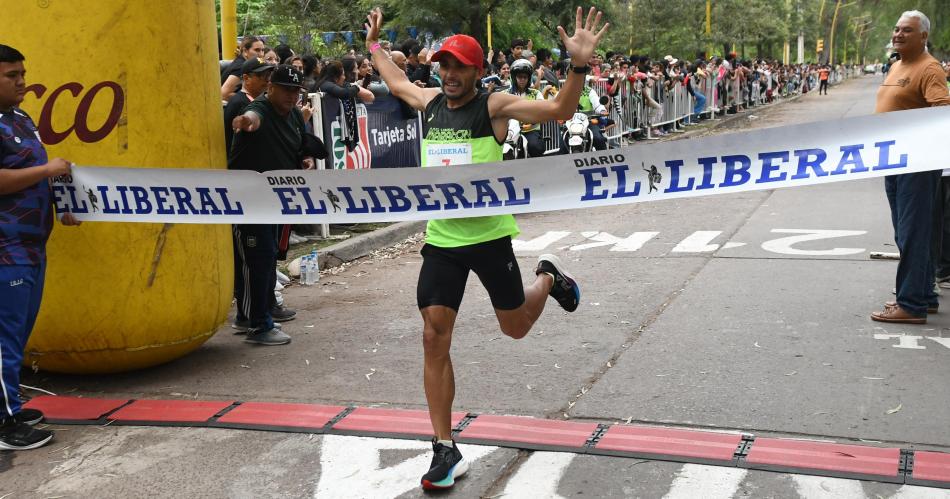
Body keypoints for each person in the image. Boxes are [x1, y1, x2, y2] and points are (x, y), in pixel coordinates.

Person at [364, 6, 606, 490]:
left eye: (459, 67)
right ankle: (443, 447)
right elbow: (395, 82)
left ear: (476, 71)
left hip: (489, 236)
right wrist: (373, 46)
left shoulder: (493, 106)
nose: (449, 74)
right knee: (434, 334)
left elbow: (560, 111)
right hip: (443, 242)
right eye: (444, 65)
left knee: (515, 327)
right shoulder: (429, 102)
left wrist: (577, 66)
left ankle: (549, 278)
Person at [0, 44, 82, 450]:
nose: (21, 82)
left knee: (19, 332)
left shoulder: (20, 118)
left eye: (22, 73)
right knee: (5, 338)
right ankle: (6, 424)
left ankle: (8, 405)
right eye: (11, 75)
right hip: (5, 248)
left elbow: (32, 173)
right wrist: (50, 170)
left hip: (32, 244)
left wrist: (61, 201)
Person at [871, 10, 950, 324]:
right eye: (897, 28)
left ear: (923, 37)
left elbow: (942, 111)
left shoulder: (929, 68)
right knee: (908, 232)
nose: (898, 34)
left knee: (913, 232)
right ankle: (924, 295)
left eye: (907, 30)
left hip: (916, 163)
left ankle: (912, 303)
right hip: (894, 160)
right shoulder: (896, 64)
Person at [229, 65, 315, 345]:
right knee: (256, 260)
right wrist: (245, 122)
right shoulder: (262, 110)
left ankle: (253, 314)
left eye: (296, 91)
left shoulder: (293, 116)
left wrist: (304, 159)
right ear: (271, 88)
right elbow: (252, 119)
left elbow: (298, 147)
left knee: (267, 259)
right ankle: (258, 324)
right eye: (287, 90)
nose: (292, 96)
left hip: (277, 201)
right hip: (249, 201)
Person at [223, 57, 275, 154]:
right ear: (246, 78)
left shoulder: (260, 100)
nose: (268, 80)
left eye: (269, 75)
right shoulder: (239, 103)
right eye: (262, 76)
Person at [507, 59, 545, 157]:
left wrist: (533, 119)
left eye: (525, 77)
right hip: (509, 132)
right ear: (514, 77)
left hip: (531, 130)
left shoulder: (536, 93)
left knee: (535, 147)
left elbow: (542, 110)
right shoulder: (505, 94)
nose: (522, 80)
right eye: (519, 77)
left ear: (529, 78)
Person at [221, 36, 265, 101]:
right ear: (245, 51)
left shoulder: (245, 63)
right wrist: (251, 96)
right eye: (257, 50)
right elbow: (223, 94)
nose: (261, 54)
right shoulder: (240, 67)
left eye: (263, 50)